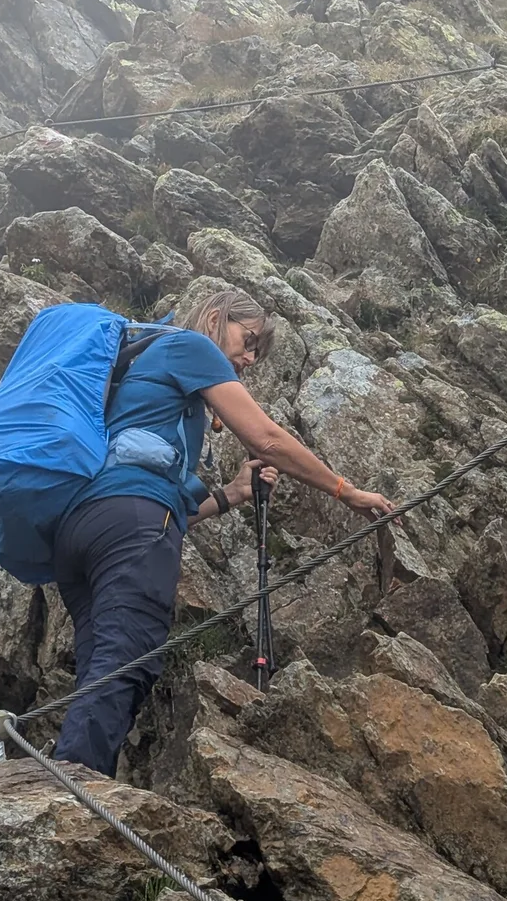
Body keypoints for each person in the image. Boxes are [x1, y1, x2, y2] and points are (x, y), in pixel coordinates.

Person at [52, 288, 394, 777]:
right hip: (132, 523)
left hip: (82, 529)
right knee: (128, 656)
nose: (249, 358)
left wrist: (231, 494)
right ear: (215, 318)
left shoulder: (145, 369)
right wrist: (347, 492)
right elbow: (267, 439)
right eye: (248, 340)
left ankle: (75, 777)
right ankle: (73, 784)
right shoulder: (190, 345)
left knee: (102, 666)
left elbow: (164, 512)